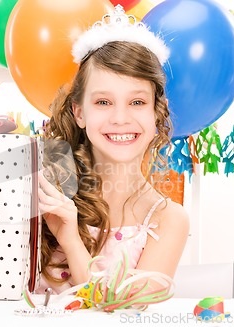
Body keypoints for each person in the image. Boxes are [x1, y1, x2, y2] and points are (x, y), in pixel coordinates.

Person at [36, 5, 190, 295]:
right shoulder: (47, 194)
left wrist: (70, 238)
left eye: (137, 102)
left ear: (157, 113)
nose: (120, 118)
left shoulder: (168, 220)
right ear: (79, 112)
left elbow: (120, 309)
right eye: (103, 102)